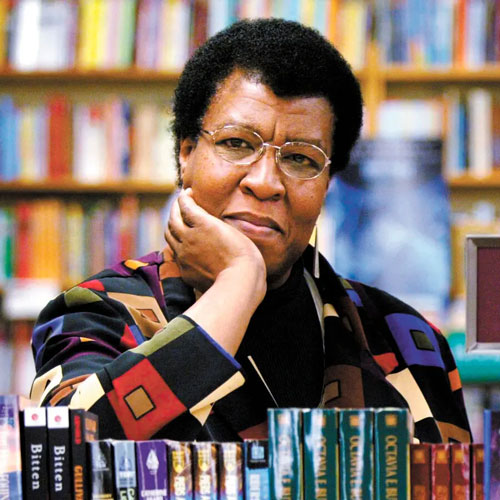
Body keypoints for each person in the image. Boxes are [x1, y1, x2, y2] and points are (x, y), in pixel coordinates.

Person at [30, 18, 471, 444]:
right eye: (236, 144)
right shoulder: (98, 315)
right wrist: (239, 282)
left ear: (326, 185)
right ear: (186, 153)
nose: (264, 181)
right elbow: (64, 457)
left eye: (301, 158)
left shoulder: (407, 341)